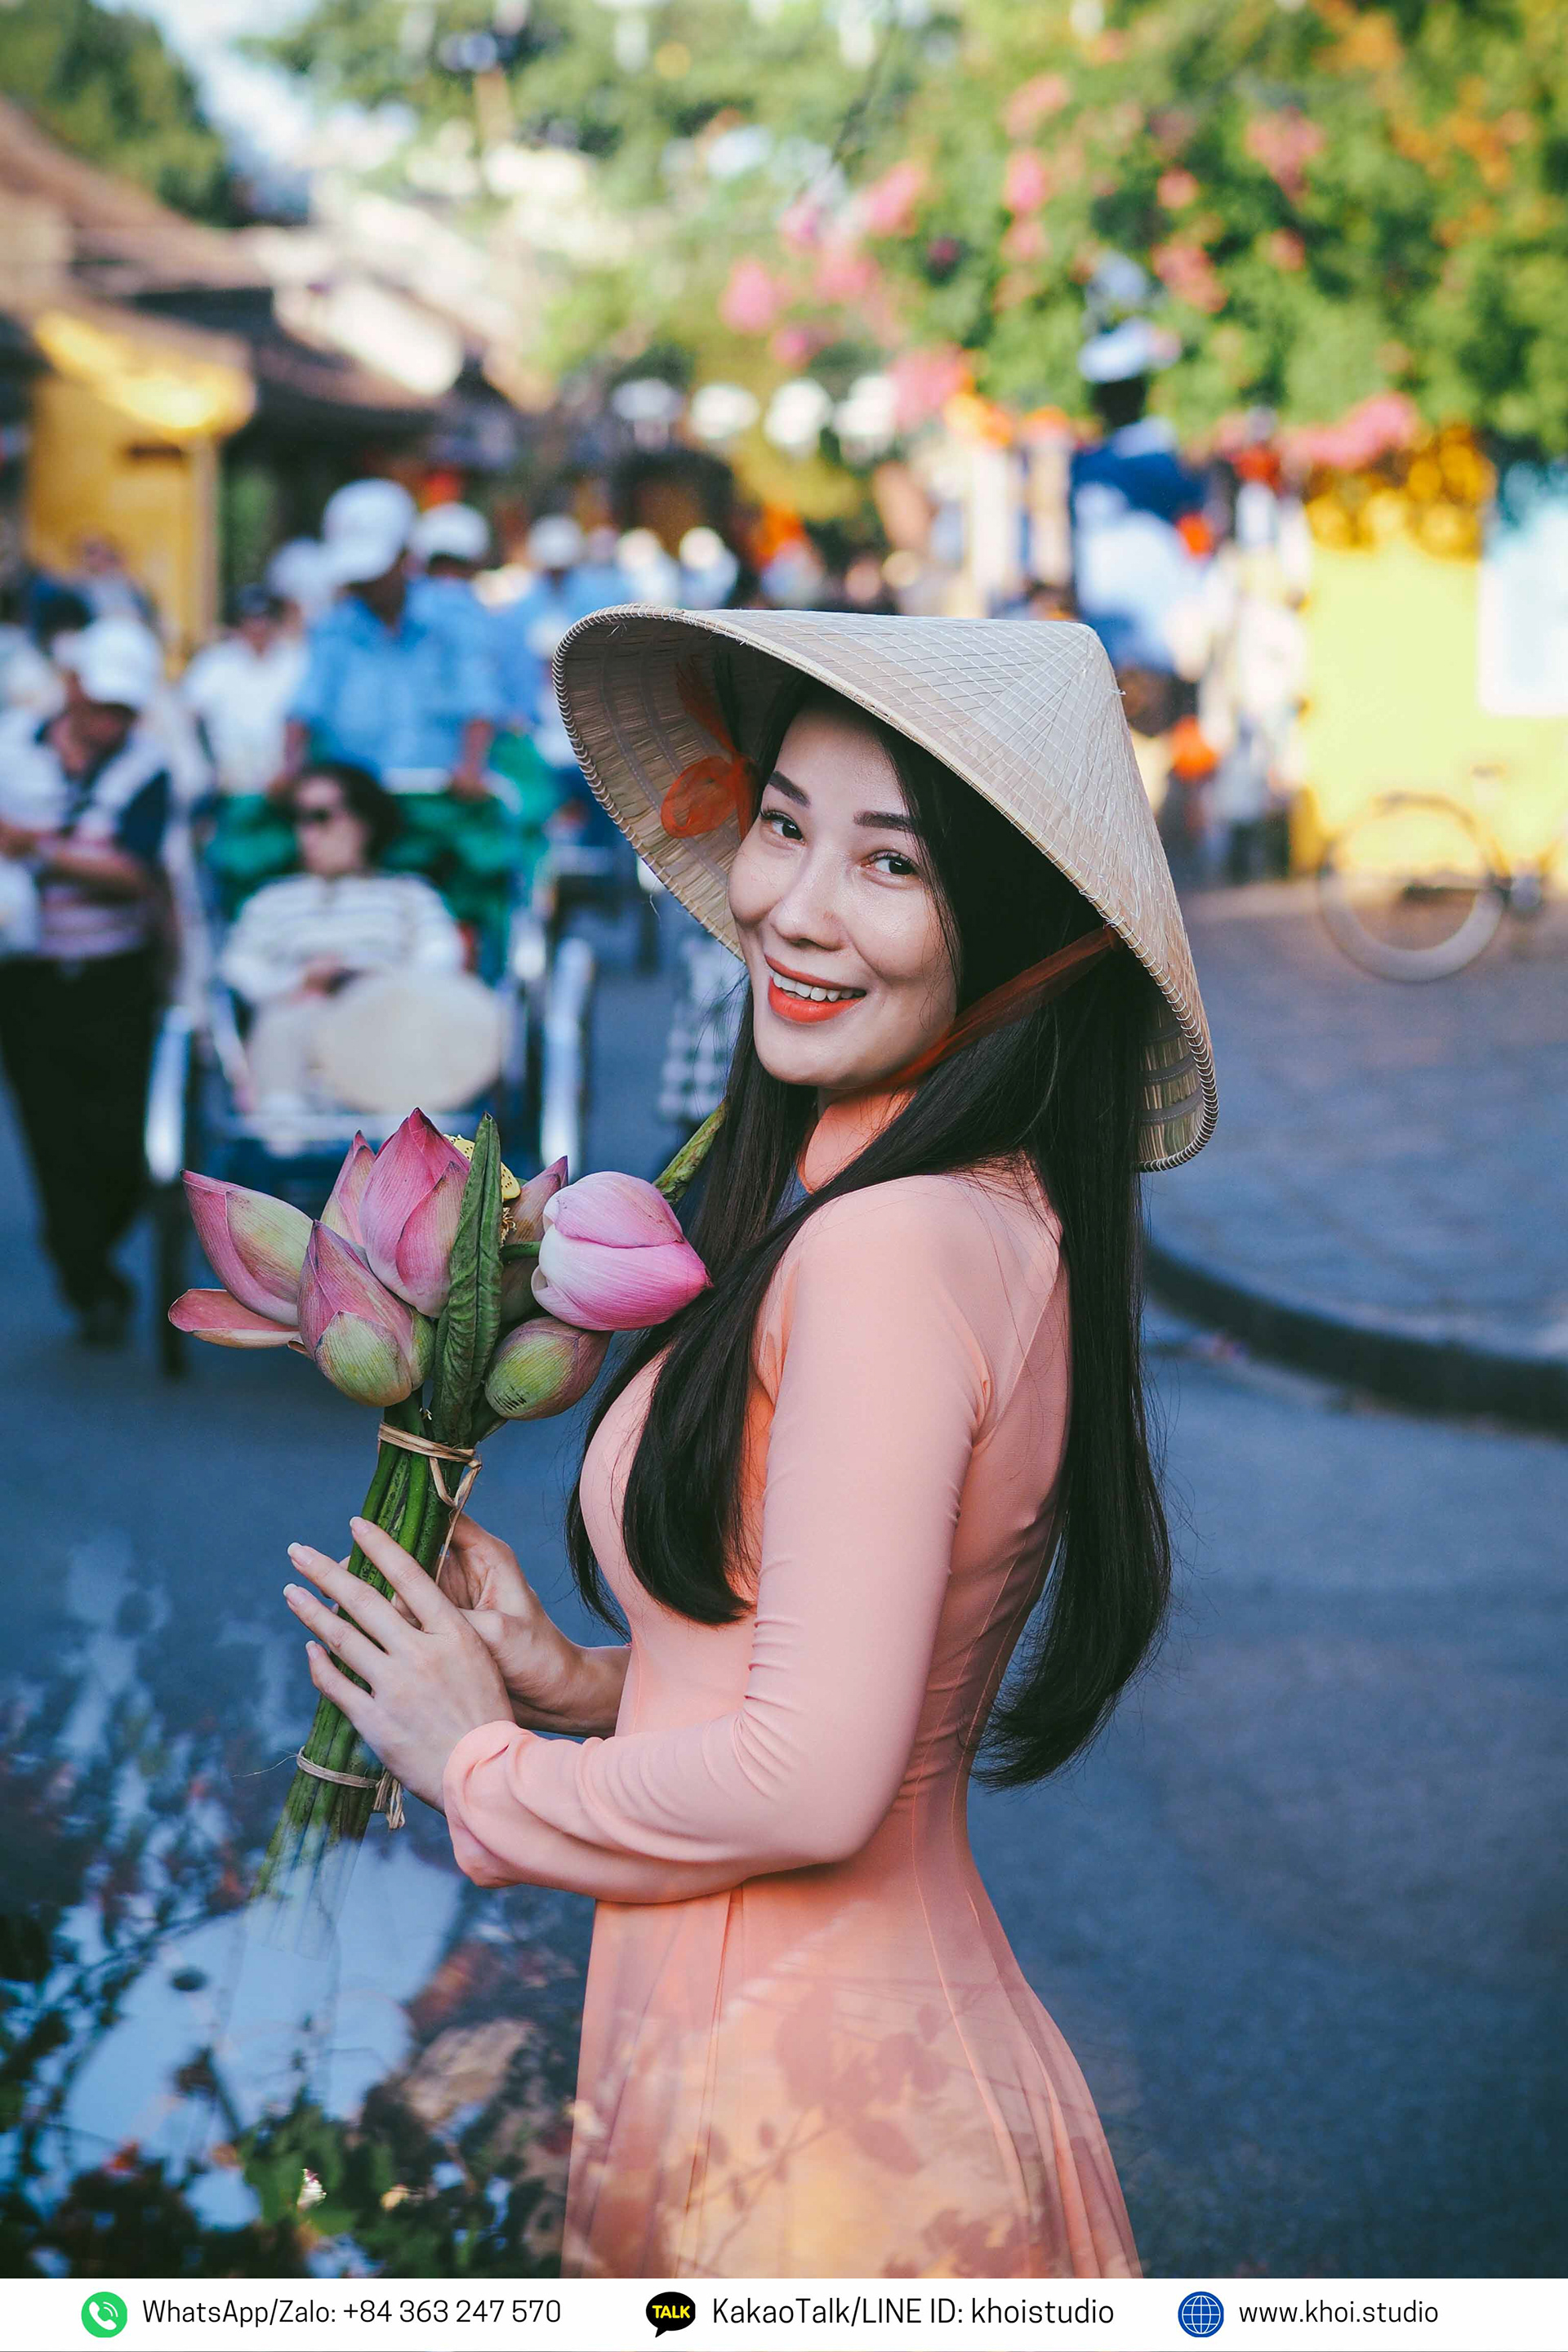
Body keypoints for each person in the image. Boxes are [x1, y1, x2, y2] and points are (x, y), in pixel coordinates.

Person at [283, 608, 1218, 2278]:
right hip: (781, 2068)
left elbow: (815, 1777)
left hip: (823, 2140)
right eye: (783, 824)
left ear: (1008, 932)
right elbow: (810, 1670)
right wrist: (572, 1680)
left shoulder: (888, 1245)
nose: (793, 904)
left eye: (893, 865)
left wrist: (470, 1762)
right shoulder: (930, 1202)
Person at [0, 618, 172, 1345]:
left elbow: (134, 873)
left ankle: (97, 1251)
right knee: (50, 1134)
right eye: (101, 704)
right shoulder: (11, 749)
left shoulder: (147, 769)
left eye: (123, 710)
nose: (110, 721)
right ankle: (87, 1279)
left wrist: (34, 847)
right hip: (28, 977)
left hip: (116, 976)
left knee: (119, 1141)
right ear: (72, 687)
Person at [219, 761, 464, 1131]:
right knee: (281, 1026)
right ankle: (285, 1130)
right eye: (298, 818)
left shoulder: (406, 894)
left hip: (387, 1012)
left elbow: (441, 955)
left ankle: (402, 1135)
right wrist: (299, 982)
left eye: (320, 817)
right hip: (298, 1010)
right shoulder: (272, 900)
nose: (307, 833)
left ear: (363, 823)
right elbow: (241, 967)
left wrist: (377, 978)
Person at [278, 479, 501, 801]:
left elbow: (478, 703)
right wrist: (289, 770)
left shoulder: (454, 619)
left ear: (406, 558)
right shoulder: (333, 630)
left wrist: (470, 770)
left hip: (440, 801)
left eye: (375, 575)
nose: (367, 587)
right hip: (355, 805)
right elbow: (304, 708)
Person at [180, 586, 306, 800]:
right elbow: (187, 715)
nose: (258, 627)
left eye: (264, 618)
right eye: (250, 619)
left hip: (285, 785)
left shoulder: (297, 661)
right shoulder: (215, 662)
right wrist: (206, 770)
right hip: (228, 785)